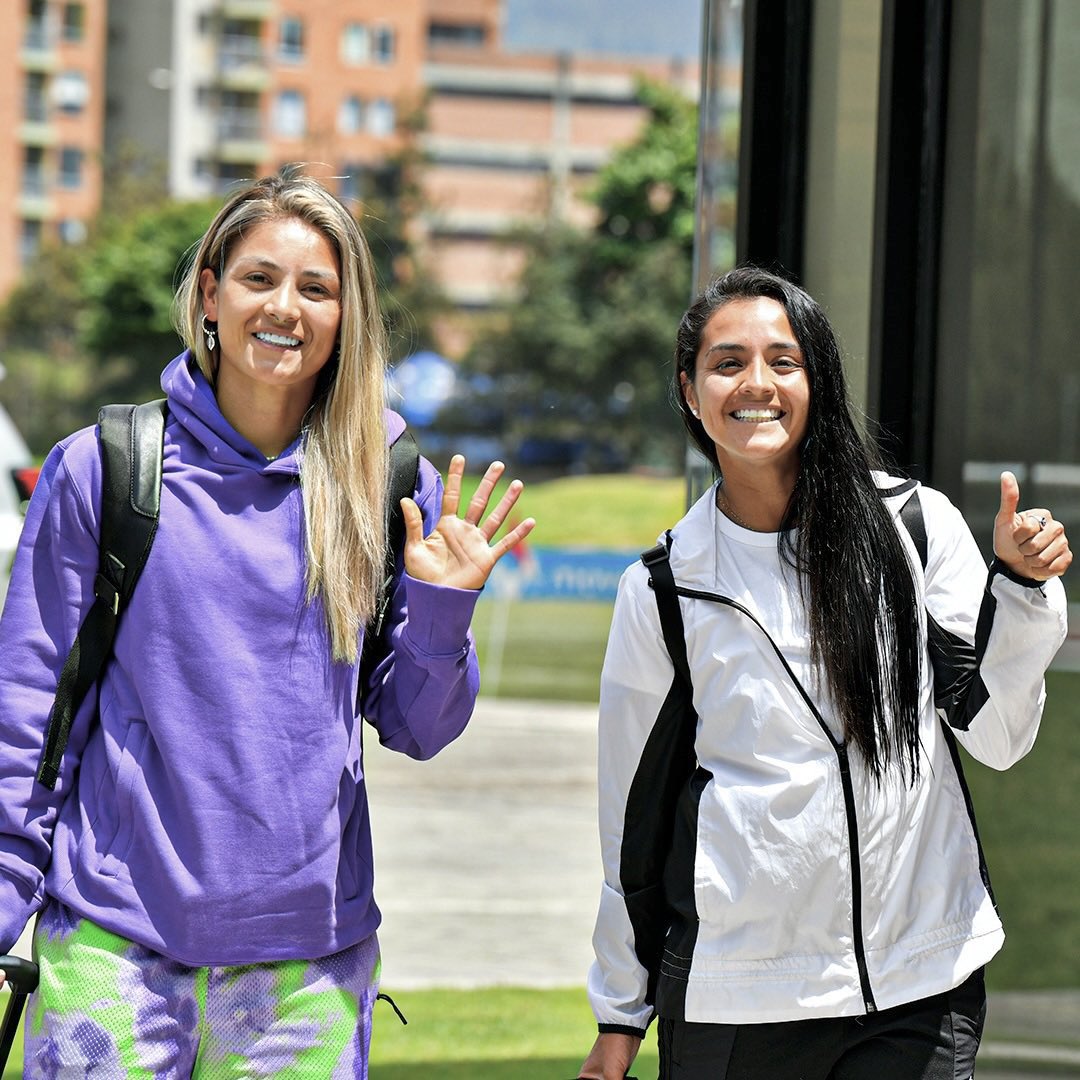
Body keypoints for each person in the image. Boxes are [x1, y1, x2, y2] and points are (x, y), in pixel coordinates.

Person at [0, 169, 534, 1077]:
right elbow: (26, 713)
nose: (284, 308)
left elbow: (421, 727)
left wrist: (442, 613)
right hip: (113, 946)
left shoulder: (384, 483)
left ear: (344, 316)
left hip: (308, 970)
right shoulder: (103, 469)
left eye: (316, 288)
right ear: (210, 292)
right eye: (259, 278)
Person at [577, 266, 1071, 1080]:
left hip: (920, 984)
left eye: (784, 360)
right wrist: (620, 1014)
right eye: (727, 363)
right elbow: (631, 820)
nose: (756, 384)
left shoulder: (914, 527)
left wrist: (1019, 591)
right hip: (741, 998)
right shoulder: (665, 588)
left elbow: (996, 732)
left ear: (820, 379)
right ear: (691, 391)